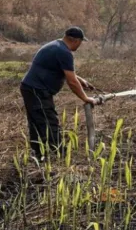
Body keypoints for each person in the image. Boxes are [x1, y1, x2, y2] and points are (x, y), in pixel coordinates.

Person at [20, 27, 97, 161]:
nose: (80, 45)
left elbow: (67, 73)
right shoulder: (64, 52)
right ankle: (57, 155)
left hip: (31, 88)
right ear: (76, 40)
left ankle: (38, 154)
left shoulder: (56, 46)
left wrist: (82, 80)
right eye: (81, 42)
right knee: (48, 122)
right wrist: (85, 98)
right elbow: (71, 81)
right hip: (37, 90)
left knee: (37, 122)